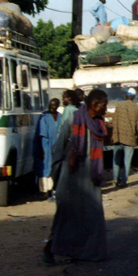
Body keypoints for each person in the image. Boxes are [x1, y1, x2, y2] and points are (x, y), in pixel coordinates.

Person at [43, 90, 108, 264]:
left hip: (91, 178)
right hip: (71, 177)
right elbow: (59, 149)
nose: (106, 109)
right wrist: (55, 175)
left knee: (92, 216)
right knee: (66, 216)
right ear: (94, 105)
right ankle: (50, 250)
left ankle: (86, 253)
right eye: (104, 104)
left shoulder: (99, 124)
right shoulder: (73, 120)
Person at [111, 88, 138, 188]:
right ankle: (123, 181)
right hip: (130, 138)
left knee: (116, 159)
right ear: (133, 97)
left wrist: (113, 135)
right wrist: (137, 138)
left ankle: (115, 179)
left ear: (126, 96)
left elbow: (114, 121)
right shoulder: (136, 108)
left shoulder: (119, 106)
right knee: (127, 161)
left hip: (118, 136)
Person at [33, 99, 62, 199]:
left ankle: (54, 190)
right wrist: (42, 149)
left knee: (56, 168)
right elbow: (41, 134)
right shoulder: (44, 117)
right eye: (50, 105)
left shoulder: (60, 117)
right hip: (46, 146)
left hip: (58, 147)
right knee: (45, 168)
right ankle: (45, 191)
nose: (52, 107)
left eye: (54, 105)